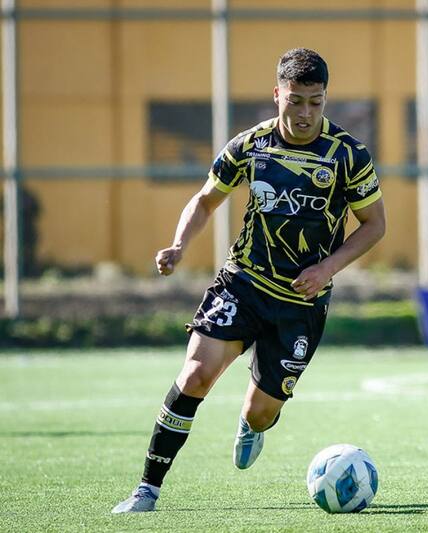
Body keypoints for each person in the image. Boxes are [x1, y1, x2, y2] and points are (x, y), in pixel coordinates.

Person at [112, 48, 386, 513]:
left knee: (262, 414)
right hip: (243, 283)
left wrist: (327, 269)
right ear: (277, 93)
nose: (304, 114)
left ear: (326, 99)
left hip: (300, 304)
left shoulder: (347, 155)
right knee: (196, 376)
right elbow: (204, 201)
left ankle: (251, 423)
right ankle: (146, 490)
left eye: (315, 103)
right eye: (295, 101)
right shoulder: (250, 146)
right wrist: (179, 245)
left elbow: (375, 225)